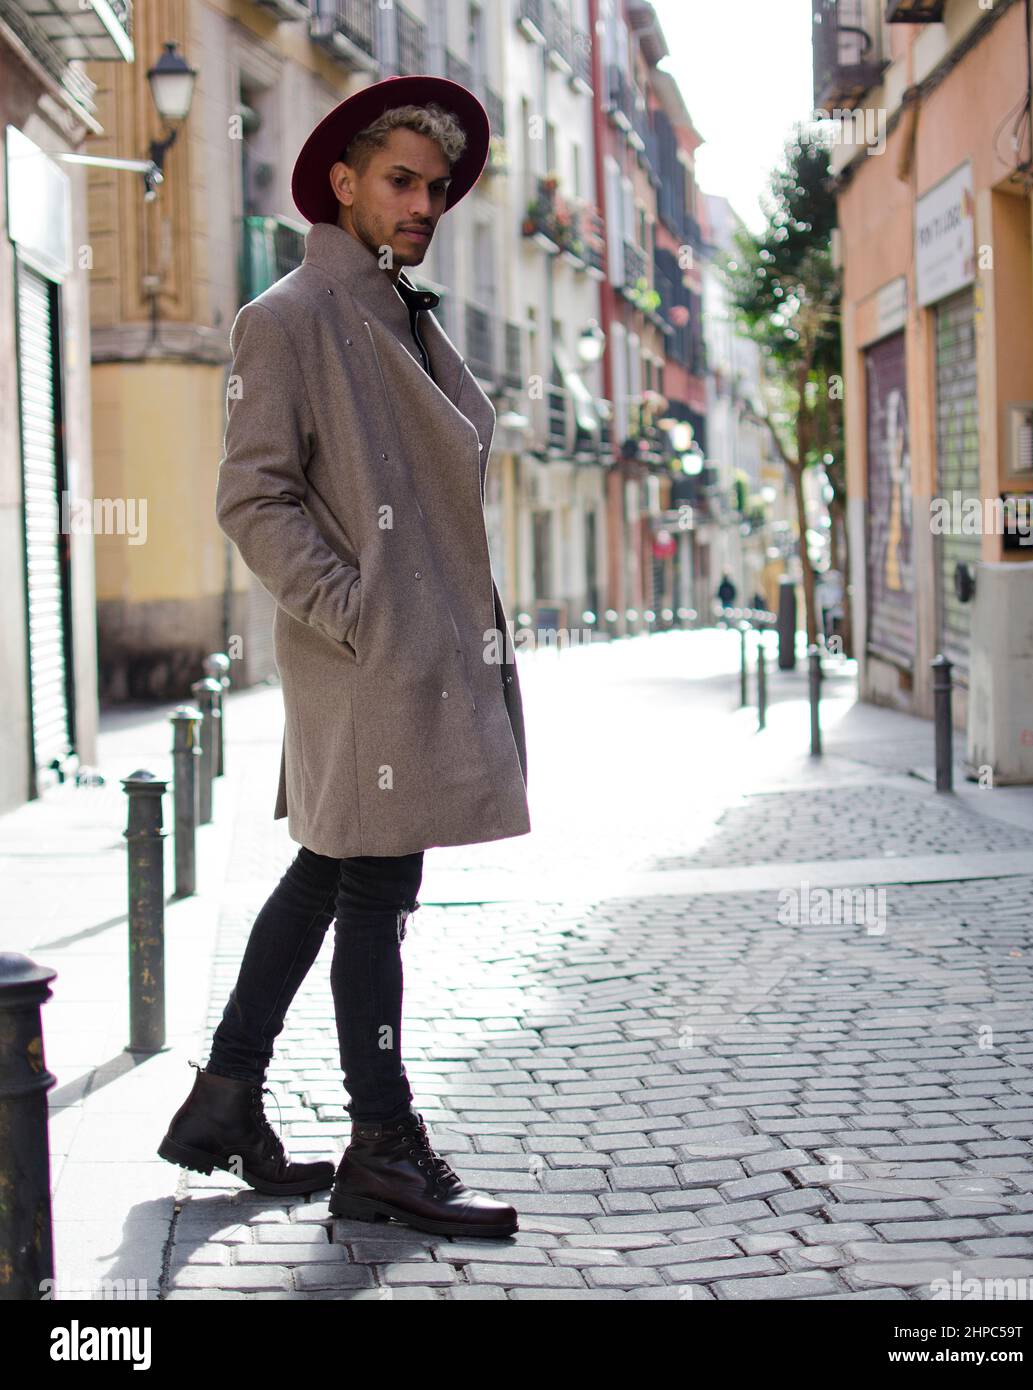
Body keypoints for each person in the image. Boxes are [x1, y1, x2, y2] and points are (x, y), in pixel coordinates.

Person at [158, 76, 530, 1240]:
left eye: (435, 187)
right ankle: (383, 1146)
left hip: (402, 658)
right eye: (401, 182)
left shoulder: (394, 307)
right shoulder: (290, 316)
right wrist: (357, 613)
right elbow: (252, 495)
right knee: (374, 897)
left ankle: (225, 1095)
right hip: (367, 662)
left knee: (329, 874)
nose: (424, 203)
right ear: (345, 185)